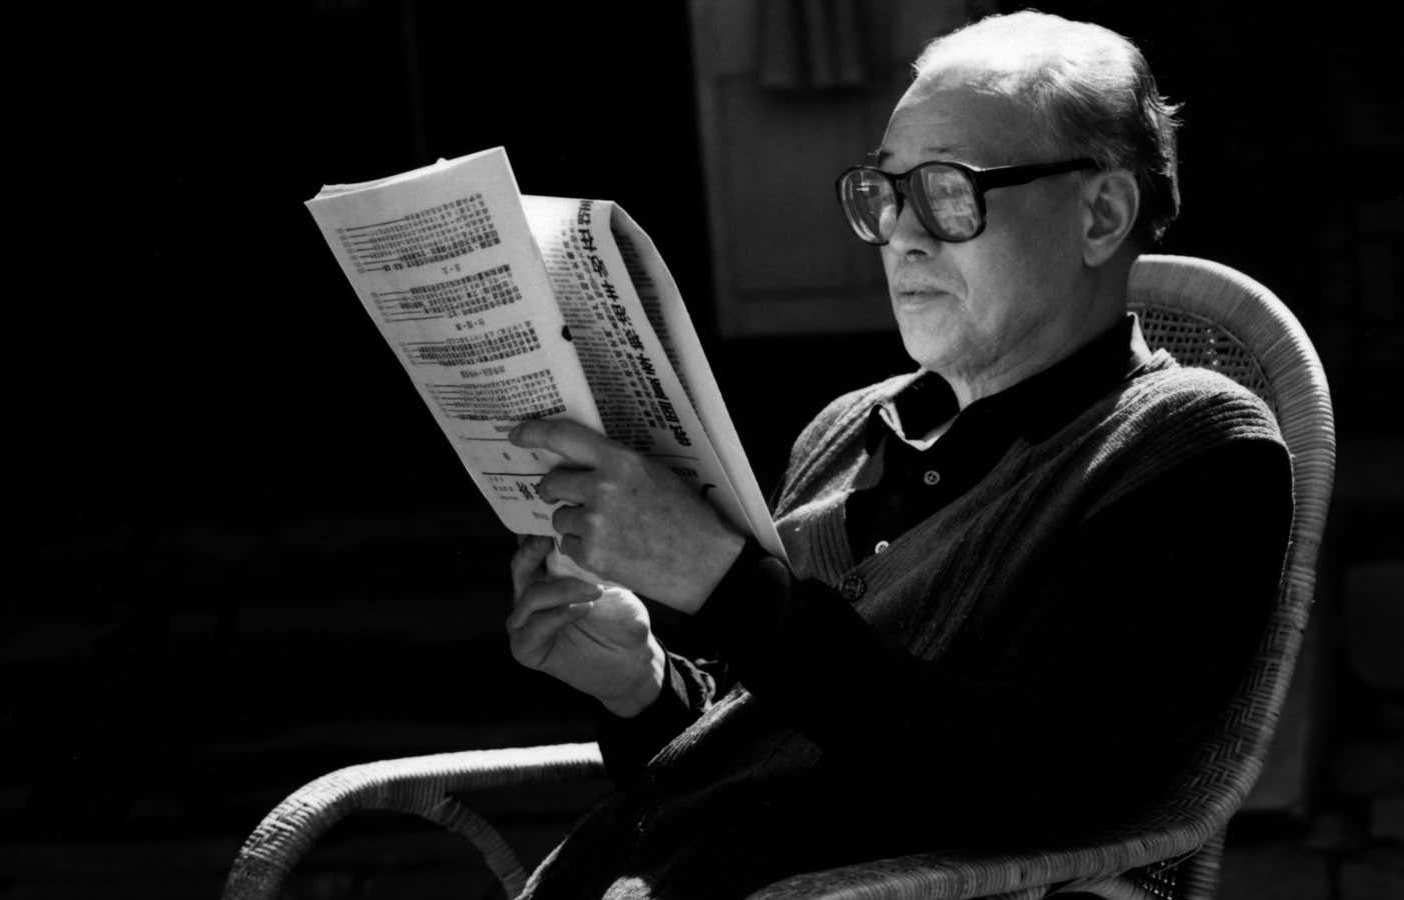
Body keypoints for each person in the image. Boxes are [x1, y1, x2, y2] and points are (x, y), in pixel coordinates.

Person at [503, 10, 1292, 899]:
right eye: (884, 194)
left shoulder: (1190, 449)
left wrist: (723, 585)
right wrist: (641, 688)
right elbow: (772, 751)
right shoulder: (846, 432)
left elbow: (1033, 792)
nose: (903, 236)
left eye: (949, 192)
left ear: (1101, 212)